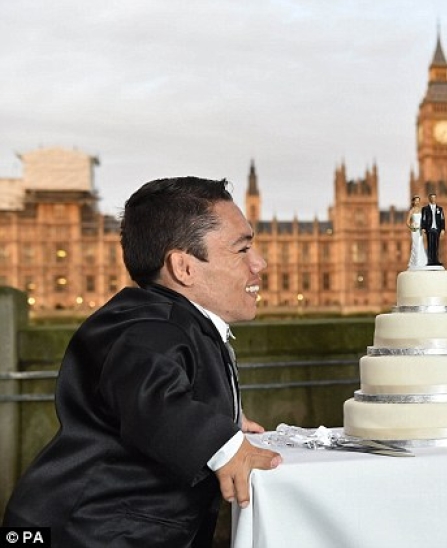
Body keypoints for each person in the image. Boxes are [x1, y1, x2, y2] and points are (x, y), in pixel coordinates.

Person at [2, 177, 283, 547]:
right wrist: (223, 445)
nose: (259, 263)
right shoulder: (147, 326)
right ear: (184, 268)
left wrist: (223, 411)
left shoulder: (171, 319)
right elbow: (151, 393)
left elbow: (156, 390)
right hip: (78, 532)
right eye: (242, 249)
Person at [420, 192, 445, 266]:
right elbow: (423, 219)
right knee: (430, 245)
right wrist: (423, 227)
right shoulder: (425, 209)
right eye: (432, 198)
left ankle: (436, 260)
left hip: (437, 229)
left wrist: (443, 229)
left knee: (436, 245)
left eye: (434, 198)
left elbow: (442, 219)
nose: (433, 199)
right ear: (429, 199)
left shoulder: (440, 209)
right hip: (429, 228)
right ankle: (430, 260)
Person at [406, 195, 427, 269]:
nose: (417, 202)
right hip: (415, 230)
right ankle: (415, 262)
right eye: (416, 201)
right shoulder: (411, 210)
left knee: (420, 244)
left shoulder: (422, 210)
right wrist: (412, 227)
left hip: (420, 229)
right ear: (413, 202)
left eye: (418, 200)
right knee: (415, 245)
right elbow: (407, 222)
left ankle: (421, 262)